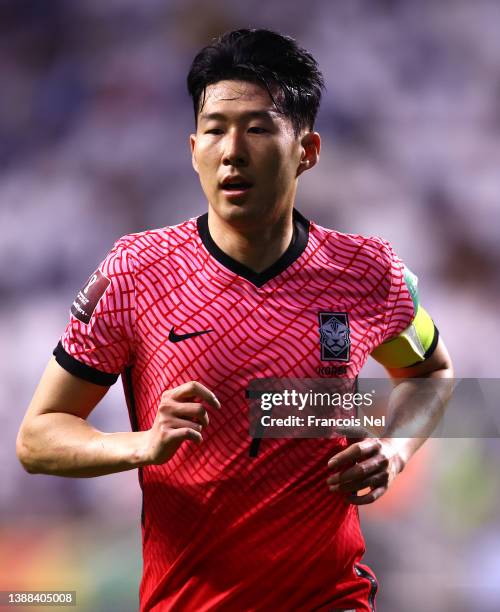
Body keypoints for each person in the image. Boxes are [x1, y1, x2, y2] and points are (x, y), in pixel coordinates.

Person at [17, 29, 453, 612]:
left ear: (308, 150)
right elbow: (38, 436)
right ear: (193, 147)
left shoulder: (369, 271)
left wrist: (394, 452)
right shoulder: (135, 272)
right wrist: (141, 445)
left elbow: (430, 374)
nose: (232, 150)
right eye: (216, 130)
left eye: (257, 128)